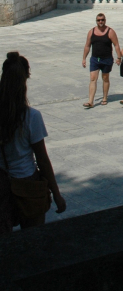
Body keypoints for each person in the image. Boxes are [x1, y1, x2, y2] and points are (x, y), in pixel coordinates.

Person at [0, 52, 66, 233]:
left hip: (2, 183)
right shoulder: (31, 117)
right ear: (25, 81)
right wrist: (56, 194)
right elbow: (42, 160)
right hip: (28, 184)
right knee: (33, 239)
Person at [81, 13, 122, 108]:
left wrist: (119, 57)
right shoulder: (91, 32)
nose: (100, 22)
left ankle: (104, 98)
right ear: (96, 21)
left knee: (105, 78)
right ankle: (90, 101)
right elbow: (87, 46)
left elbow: (116, 45)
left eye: (102, 20)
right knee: (93, 79)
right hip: (95, 59)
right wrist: (84, 58)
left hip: (107, 59)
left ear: (105, 20)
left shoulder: (110, 31)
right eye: (98, 20)